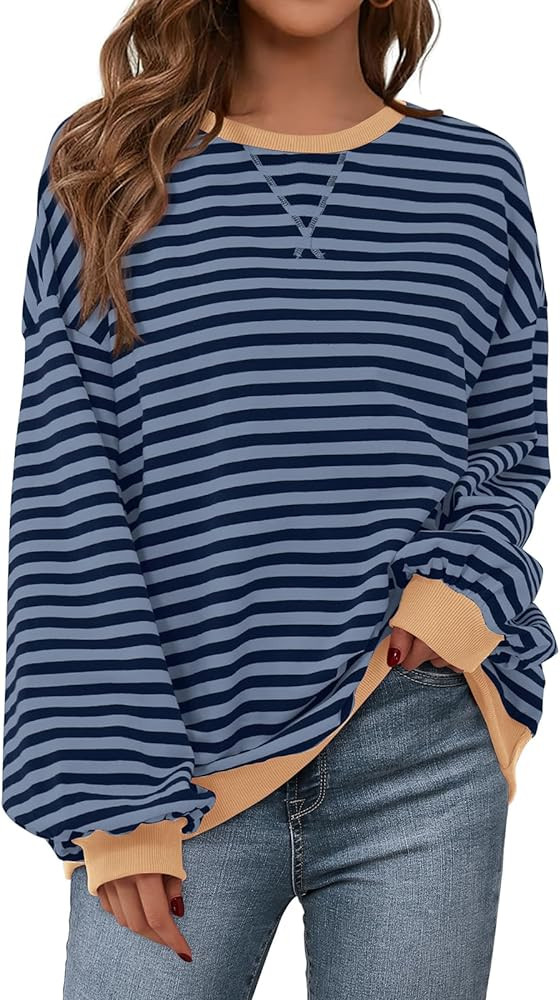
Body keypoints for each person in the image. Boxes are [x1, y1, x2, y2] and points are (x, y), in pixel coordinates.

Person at [3, 1, 556, 997]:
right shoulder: (108, 166)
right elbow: (66, 477)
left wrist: (456, 593)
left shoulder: (474, 178)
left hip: (418, 737)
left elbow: (508, 438)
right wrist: (110, 785)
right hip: (170, 751)